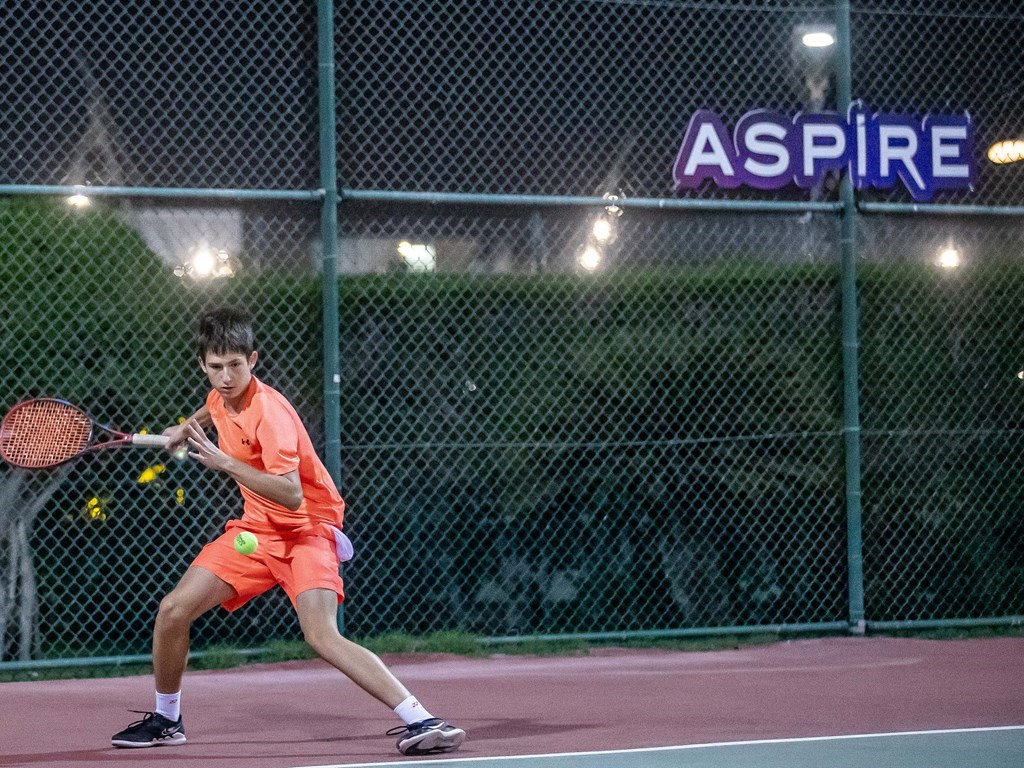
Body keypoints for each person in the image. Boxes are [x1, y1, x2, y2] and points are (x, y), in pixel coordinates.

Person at [111, 307, 465, 756]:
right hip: (255, 534)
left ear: (253, 360)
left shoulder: (270, 413)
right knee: (173, 611)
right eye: (216, 367)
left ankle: (423, 720)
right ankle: (167, 720)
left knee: (321, 635)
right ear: (203, 364)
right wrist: (185, 428)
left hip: (307, 532)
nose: (226, 377)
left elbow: (292, 494)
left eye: (235, 365)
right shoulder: (220, 395)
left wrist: (225, 463)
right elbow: (213, 407)